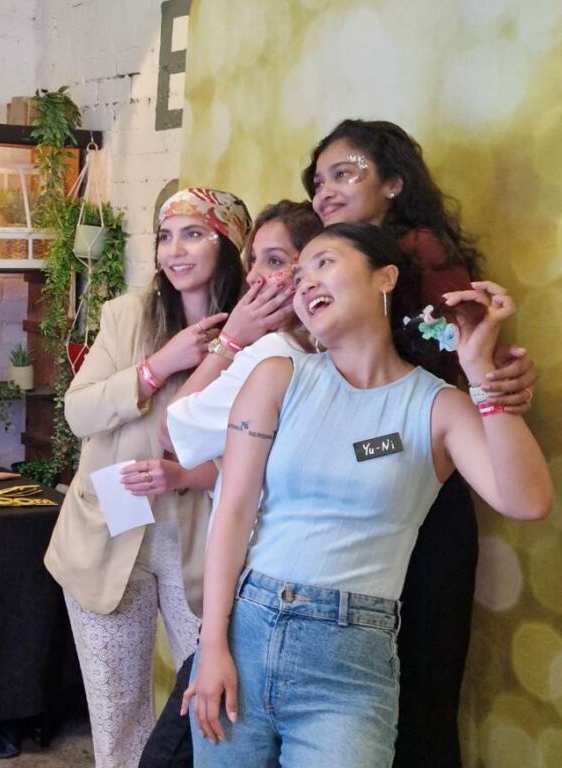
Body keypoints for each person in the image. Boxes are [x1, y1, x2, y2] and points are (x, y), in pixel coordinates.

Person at [188, 222, 551, 767]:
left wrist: (479, 373)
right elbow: (233, 513)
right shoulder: (276, 376)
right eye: (300, 272)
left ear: (385, 277)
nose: (305, 281)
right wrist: (212, 644)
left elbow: (526, 501)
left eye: (325, 262)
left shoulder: (438, 406)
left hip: (350, 664)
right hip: (245, 632)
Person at [304, 119, 536, 767]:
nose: (326, 189)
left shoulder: (417, 254)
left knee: (412, 693)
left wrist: (494, 376)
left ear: (395, 183)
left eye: (345, 172)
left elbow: (453, 361)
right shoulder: (330, 267)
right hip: (375, 494)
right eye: (318, 180)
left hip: (414, 490)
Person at [44, 188, 251, 768]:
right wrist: (158, 365)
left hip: (205, 541)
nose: (174, 251)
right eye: (165, 236)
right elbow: (78, 412)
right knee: (118, 717)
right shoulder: (128, 315)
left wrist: (186, 475)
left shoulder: (253, 334)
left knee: (216, 709)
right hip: (108, 534)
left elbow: (262, 451)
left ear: (230, 244)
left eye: (194, 234)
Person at [138, 200, 324, 768]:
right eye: (255, 263)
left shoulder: (276, 350)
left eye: (275, 260)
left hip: (255, 584)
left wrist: (229, 343)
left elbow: (176, 427)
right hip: (285, 587)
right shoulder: (325, 353)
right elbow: (245, 459)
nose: (258, 278)